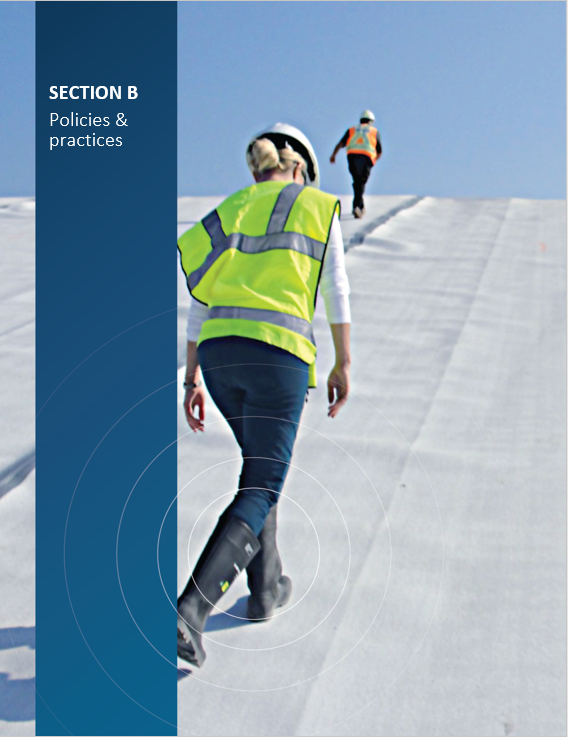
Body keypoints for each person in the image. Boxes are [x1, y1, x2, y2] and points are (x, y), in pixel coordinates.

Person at [176, 123, 352, 668]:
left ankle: (265, 591)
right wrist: (344, 360)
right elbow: (336, 287)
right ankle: (191, 611)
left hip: (222, 356)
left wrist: (191, 376)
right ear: (300, 167)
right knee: (262, 483)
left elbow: (200, 296)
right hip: (277, 355)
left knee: (259, 474)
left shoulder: (235, 207)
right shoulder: (316, 205)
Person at [330, 109, 382, 219]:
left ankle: (359, 207)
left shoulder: (352, 130)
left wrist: (333, 155)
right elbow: (379, 151)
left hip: (352, 157)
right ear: (371, 121)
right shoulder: (374, 131)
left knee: (357, 182)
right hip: (367, 157)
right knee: (361, 182)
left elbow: (341, 143)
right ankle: (358, 207)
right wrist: (374, 161)